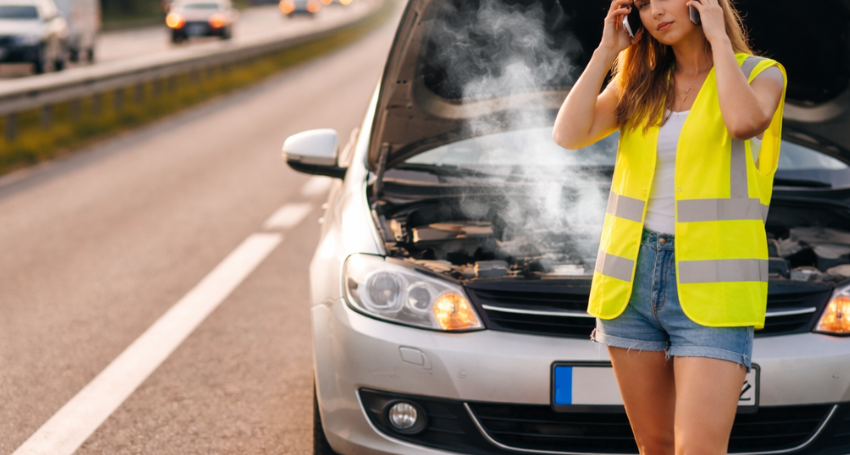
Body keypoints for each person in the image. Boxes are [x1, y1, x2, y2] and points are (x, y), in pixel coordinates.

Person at [552, 0, 786, 453]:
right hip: (630, 282)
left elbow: (742, 122)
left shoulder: (761, 74)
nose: (654, 11)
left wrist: (718, 37)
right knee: (655, 447)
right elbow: (568, 134)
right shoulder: (641, 83)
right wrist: (605, 52)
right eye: (641, 4)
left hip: (716, 290)